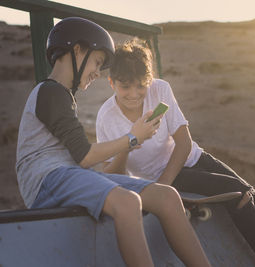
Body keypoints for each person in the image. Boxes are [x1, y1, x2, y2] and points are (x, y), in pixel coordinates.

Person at [96, 39, 255, 267]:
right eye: (125, 86)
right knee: (238, 195)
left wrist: (164, 183)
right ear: (111, 82)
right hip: (159, 177)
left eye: (141, 86)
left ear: (148, 81)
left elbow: (184, 144)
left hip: (192, 158)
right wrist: (127, 145)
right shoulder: (106, 117)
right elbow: (111, 172)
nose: (134, 94)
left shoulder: (160, 89)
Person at [15, 17, 211, 267]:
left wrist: (131, 139)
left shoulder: (63, 96)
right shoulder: (50, 91)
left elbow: (81, 161)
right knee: (128, 203)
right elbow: (85, 155)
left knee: (167, 197)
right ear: (77, 50)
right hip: (47, 179)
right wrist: (132, 138)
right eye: (97, 62)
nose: (97, 72)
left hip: (69, 173)